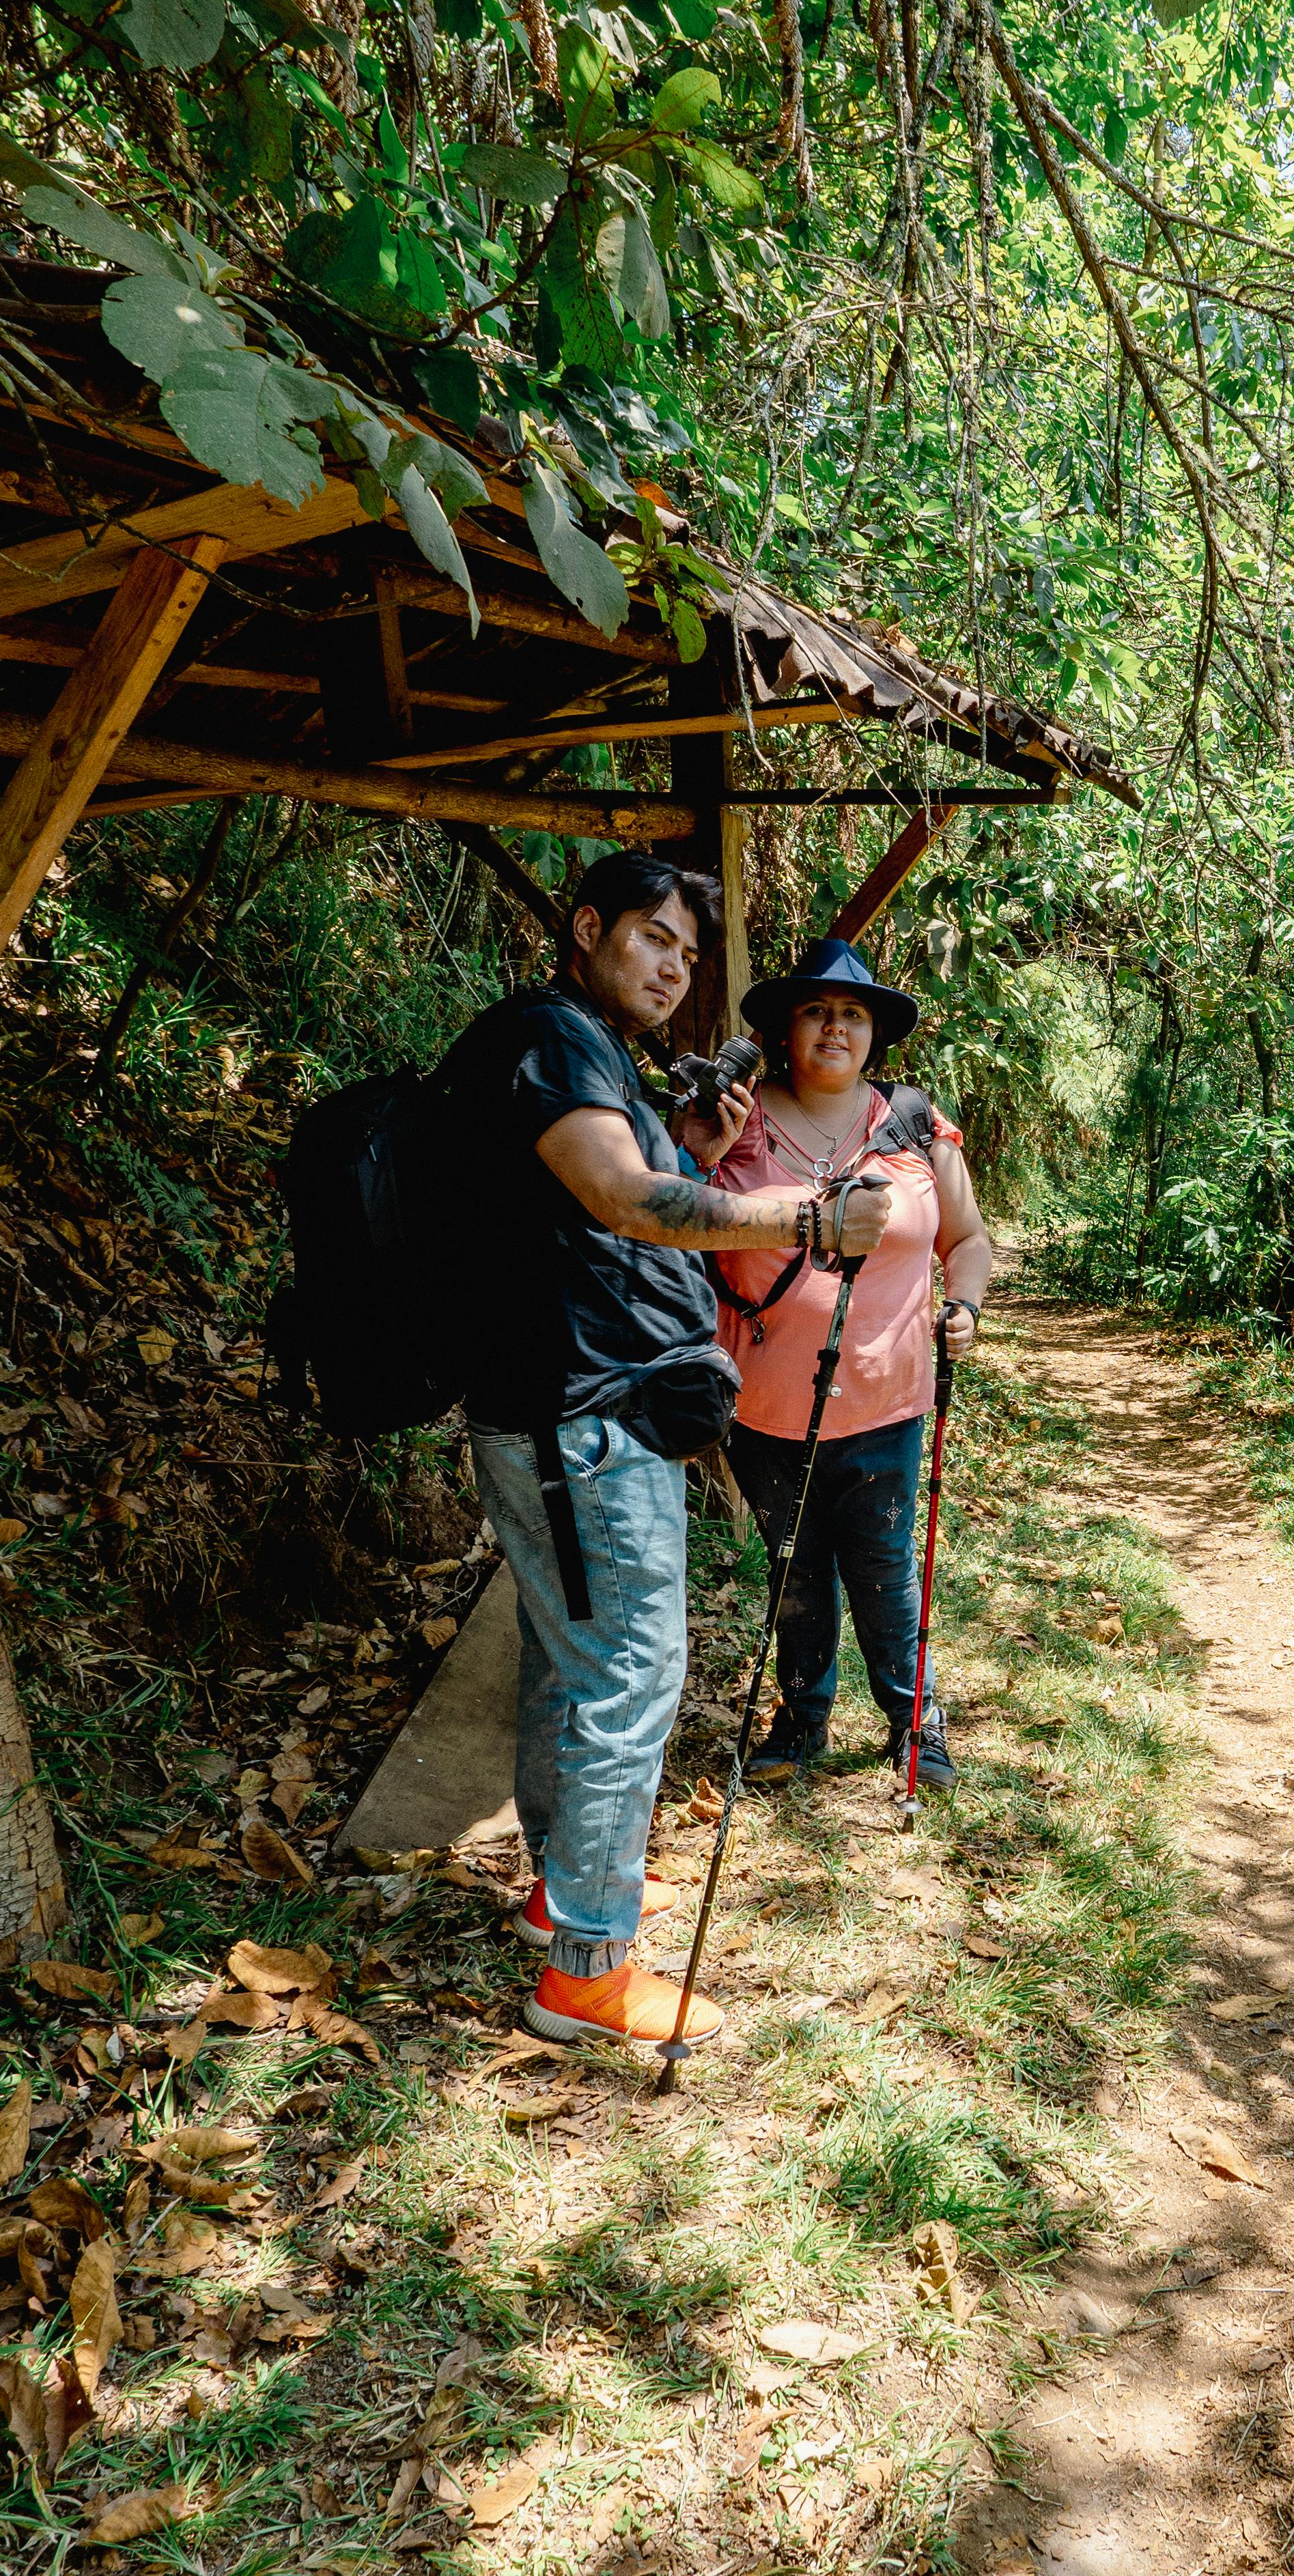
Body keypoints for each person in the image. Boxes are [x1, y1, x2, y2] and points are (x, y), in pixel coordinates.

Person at [446, 854, 888, 2046]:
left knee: (572, 1660)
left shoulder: (581, 1053)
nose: (672, 968)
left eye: (688, 955)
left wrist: (685, 1145)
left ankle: (563, 1904)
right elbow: (629, 1206)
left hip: (571, 1410)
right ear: (588, 929)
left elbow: (626, 1206)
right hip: (578, 1415)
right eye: (650, 939)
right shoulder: (547, 1039)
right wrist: (809, 1214)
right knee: (630, 1669)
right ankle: (587, 1972)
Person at [705, 937, 992, 1785]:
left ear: (875, 1035)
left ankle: (913, 1721)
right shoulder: (736, 1121)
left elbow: (967, 1238)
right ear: (786, 1030)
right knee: (794, 1566)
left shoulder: (911, 1124)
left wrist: (965, 1306)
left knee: (884, 1571)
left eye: (854, 1014)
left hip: (888, 1402)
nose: (836, 1027)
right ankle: (802, 1718)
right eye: (817, 1011)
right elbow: (679, 1220)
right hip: (764, 1405)